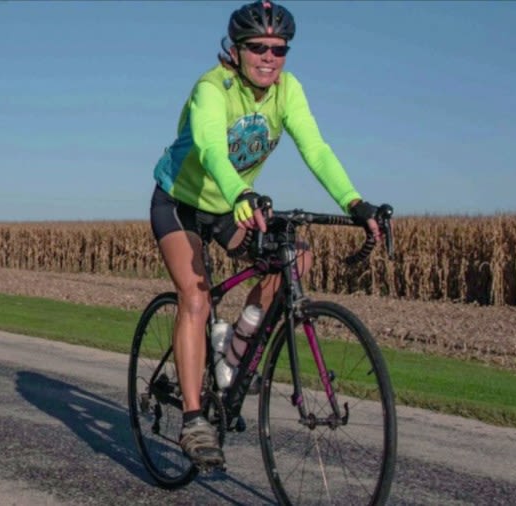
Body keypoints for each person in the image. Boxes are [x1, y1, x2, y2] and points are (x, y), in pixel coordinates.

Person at [149, 0, 381, 468]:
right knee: (196, 297)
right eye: (258, 47)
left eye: (279, 49)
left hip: (234, 203)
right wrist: (241, 194)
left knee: (295, 257)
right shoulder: (212, 89)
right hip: (181, 202)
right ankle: (194, 419)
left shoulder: (287, 91)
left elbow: (315, 148)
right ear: (235, 50)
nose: (269, 57)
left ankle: (233, 353)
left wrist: (354, 203)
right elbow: (213, 150)